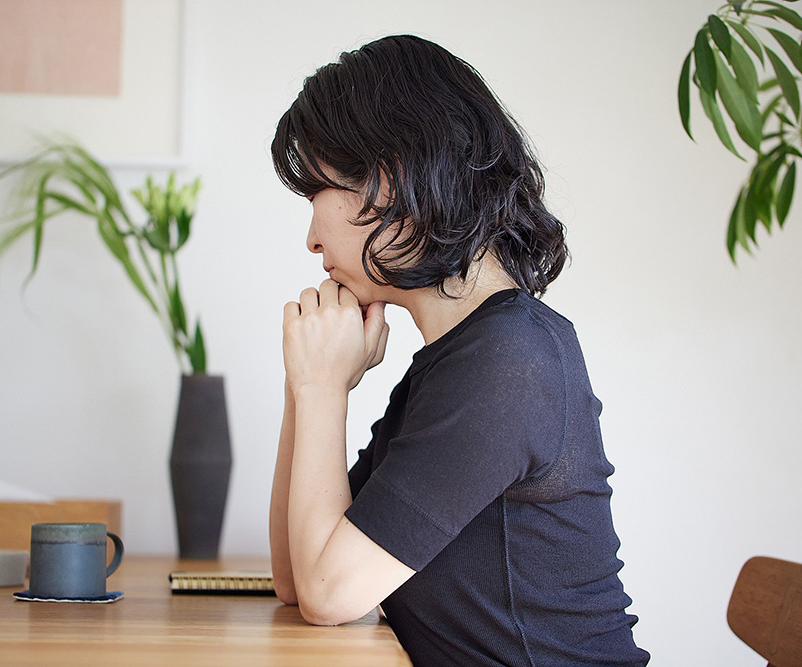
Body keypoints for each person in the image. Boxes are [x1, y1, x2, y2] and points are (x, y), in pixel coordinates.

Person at [269, 34, 649, 667]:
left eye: (316, 194)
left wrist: (321, 388)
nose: (312, 238)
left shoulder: (508, 361)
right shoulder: (455, 361)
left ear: (390, 175)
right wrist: (304, 382)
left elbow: (327, 593)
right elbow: (296, 574)